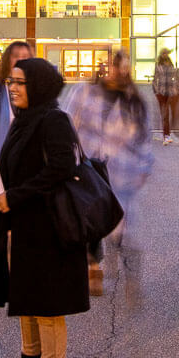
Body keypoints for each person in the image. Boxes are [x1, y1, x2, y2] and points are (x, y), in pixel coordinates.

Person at [0, 57, 87, 358]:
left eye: (21, 82)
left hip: (48, 229)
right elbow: (18, 168)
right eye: (11, 81)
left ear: (38, 85)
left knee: (48, 308)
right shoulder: (24, 121)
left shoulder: (53, 119)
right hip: (21, 227)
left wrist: (15, 195)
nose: (13, 87)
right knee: (25, 299)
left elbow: (61, 169)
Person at [65, 50, 154, 299]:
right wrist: (70, 158)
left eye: (123, 67)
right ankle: (94, 267)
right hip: (91, 170)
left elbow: (144, 138)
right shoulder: (85, 92)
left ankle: (132, 278)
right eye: (114, 67)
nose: (117, 72)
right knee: (89, 222)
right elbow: (68, 123)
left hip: (123, 174)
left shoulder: (133, 101)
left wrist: (145, 167)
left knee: (127, 228)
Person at [152, 48, 179, 144]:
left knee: (172, 114)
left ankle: (168, 133)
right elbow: (155, 79)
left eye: (166, 53)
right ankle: (166, 136)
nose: (165, 54)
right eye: (164, 53)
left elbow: (177, 77)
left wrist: (176, 88)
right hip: (161, 93)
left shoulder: (171, 65)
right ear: (161, 55)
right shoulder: (158, 66)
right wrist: (156, 91)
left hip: (171, 93)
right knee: (165, 115)